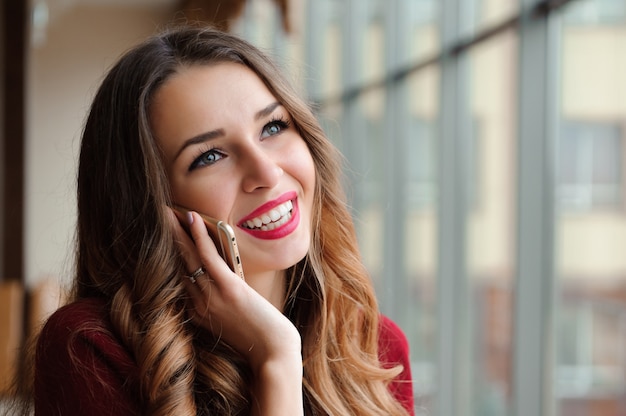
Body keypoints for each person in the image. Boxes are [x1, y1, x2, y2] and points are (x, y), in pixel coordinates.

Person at [30, 26, 414, 415]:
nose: (266, 172)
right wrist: (275, 359)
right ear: (149, 206)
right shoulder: (90, 349)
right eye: (210, 156)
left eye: (273, 127)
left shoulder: (374, 348)